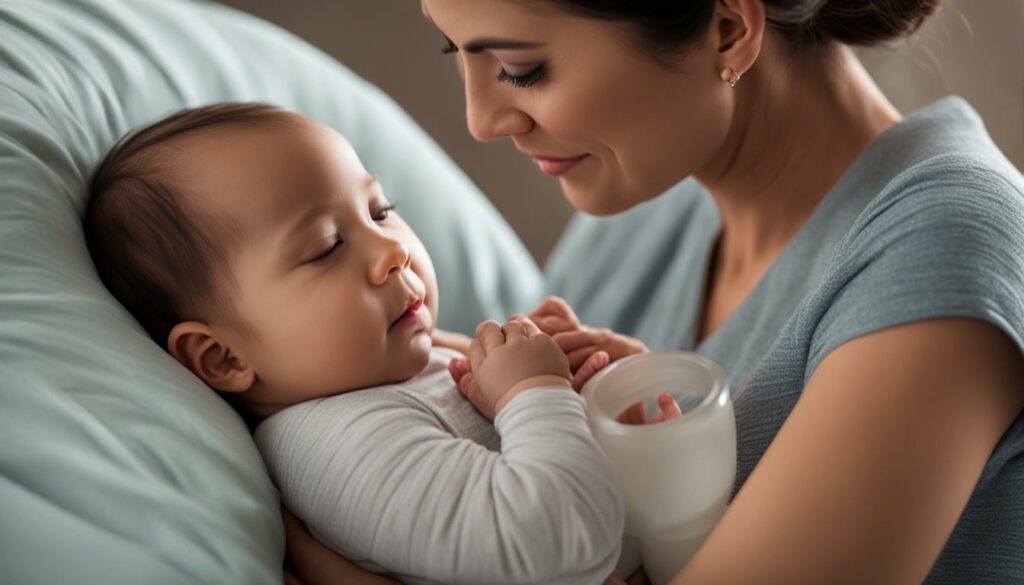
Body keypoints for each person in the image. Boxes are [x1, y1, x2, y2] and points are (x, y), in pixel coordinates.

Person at [285, 0, 1024, 584]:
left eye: (521, 68)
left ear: (728, 29)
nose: (483, 120)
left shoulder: (946, 247)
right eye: (459, 53)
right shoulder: (649, 211)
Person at [83, 103, 679, 584]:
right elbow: (557, 541)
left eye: (380, 209)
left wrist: (599, 387)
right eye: (324, 247)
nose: (392, 251)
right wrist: (534, 393)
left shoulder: (407, 362)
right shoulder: (332, 443)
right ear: (225, 357)